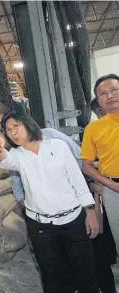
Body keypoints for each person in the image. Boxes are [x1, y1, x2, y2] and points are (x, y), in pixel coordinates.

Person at [0, 111, 99, 293]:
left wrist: (90, 212)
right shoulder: (18, 155)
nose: (12, 133)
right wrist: (0, 151)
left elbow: (77, 181)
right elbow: (6, 162)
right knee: (52, 277)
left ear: (28, 124)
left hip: (73, 220)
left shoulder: (58, 146)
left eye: (15, 126)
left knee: (85, 273)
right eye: (8, 130)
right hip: (42, 226)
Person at [81, 74, 119, 258]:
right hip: (113, 190)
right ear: (99, 101)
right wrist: (110, 185)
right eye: (103, 94)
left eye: (114, 90)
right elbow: (86, 165)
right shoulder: (93, 129)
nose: (110, 96)